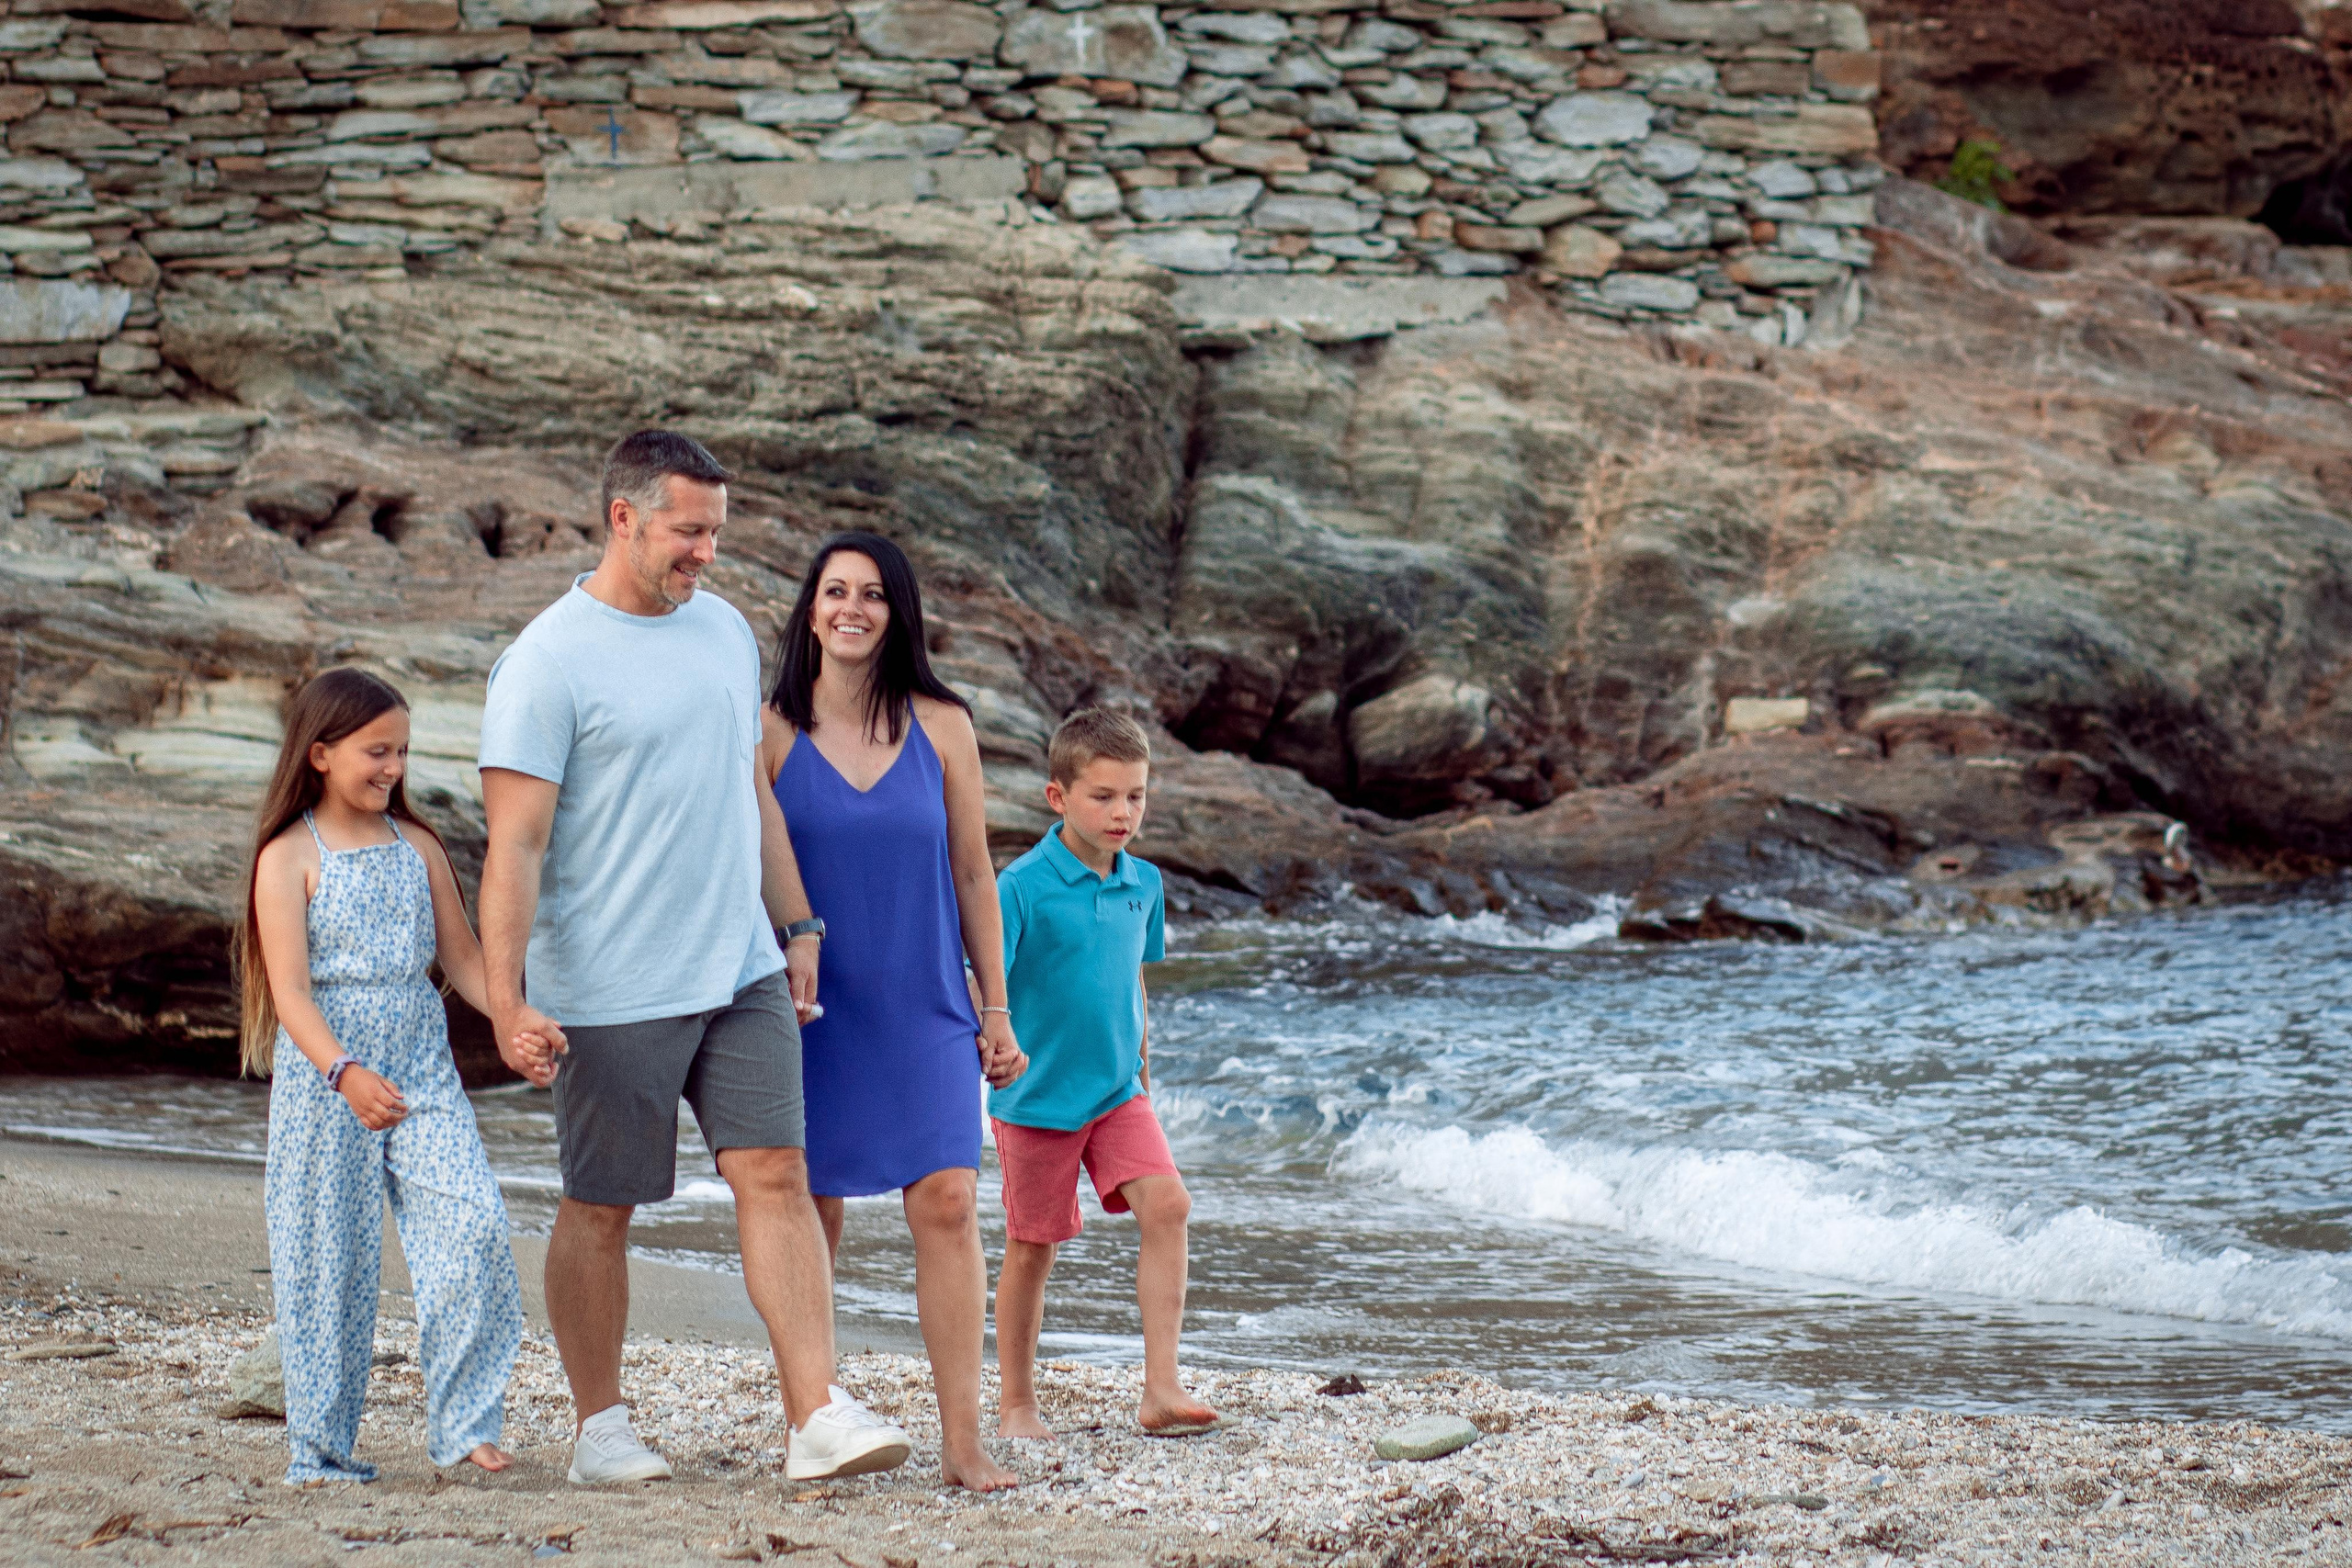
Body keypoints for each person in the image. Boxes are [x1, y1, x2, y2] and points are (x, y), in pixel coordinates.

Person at [476, 431, 911, 1486]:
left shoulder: (721, 633)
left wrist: (797, 925)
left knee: (779, 1172)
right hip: (613, 983)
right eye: (688, 531)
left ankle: (816, 1413)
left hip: (738, 967)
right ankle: (599, 1428)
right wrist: (503, 1001)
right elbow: (515, 846)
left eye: (715, 531)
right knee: (602, 1204)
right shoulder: (545, 662)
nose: (707, 553)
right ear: (623, 518)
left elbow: (747, 791)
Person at [761, 531, 1028, 1493]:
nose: (851, 609)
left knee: (949, 1202)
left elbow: (972, 872)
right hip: (811, 1011)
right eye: (834, 591)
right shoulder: (771, 731)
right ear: (809, 608)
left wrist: (995, 1007)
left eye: (872, 594)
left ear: (896, 612)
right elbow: (747, 867)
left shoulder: (942, 723)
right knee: (810, 1212)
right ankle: (814, 1416)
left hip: (925, 1003)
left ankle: (964, 1442)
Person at [237, 667, 532, 1484]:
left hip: (421, 1063)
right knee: (328, 1260)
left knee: (470, 1226)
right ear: (322, 752)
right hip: (326, 1075)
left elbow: (463, 959)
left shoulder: (420, 846)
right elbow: (290, 991)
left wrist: (513, 1020)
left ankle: (464, 1422)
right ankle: (322, 1450)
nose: (393, 766)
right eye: (376, 750)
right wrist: (342, 1071)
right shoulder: (288, 854)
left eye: (402, 750)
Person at [989, 708, 1219, 1438]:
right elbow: (982, 978)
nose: (1123, 812)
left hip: (1121, 1091)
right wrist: (993, 1040)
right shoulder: (1021, 885)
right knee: (1034, 1246)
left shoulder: (1144, 883)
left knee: (1170, 1206)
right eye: (1104, 796)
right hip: (1036, 1097)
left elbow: (1131, 983)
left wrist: (1144, 1068)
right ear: (1058, 797)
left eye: (1136, 796)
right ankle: (1017, 1401)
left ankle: (1161, 1388)